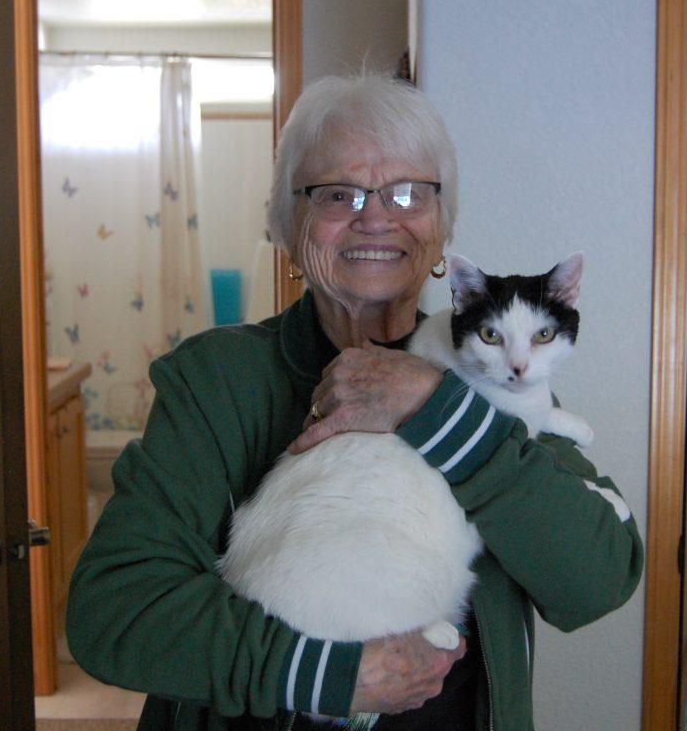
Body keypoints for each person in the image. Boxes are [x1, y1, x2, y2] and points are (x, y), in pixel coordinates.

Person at [67, 73, 644, 731]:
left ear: (439, 230)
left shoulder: (498, 377)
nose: (376, 216)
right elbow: (112, 613)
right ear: (289, 225)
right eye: (338, 193)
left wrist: (436, 408)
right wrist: (328, 674)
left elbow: (599, 580)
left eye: (409, 193)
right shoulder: (217, 382)